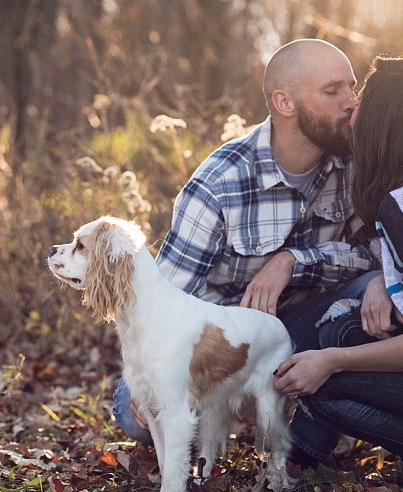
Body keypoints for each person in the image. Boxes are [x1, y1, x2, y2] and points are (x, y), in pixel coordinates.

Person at [111, 39, 385, 468]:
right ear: (285, 103)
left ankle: (303, 448)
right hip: (218, 347)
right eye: (333, 91)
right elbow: (161, 298)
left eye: (352, 87)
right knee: (136, 417)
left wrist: (291, 262)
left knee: (375, 289)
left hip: (305, 326)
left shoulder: (355, 164)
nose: (352, 102)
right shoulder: (219, 184)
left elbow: (373, 251)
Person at [273, 56, 403, 456]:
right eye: (337, 92)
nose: (350, 105)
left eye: (359, 97)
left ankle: (299, 460)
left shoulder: (398, 205)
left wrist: (331, 361)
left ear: (380, 117)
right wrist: (383, 279)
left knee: (320, 382)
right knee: (340, 329)